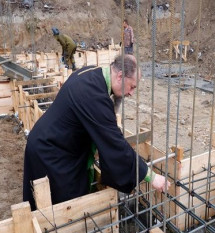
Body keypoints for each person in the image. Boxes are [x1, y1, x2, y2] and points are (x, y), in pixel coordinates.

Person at [23, 54, 170, 210]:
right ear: (120, 76)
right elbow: (115, 144)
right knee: (63, 208)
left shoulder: (93, 74)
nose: (131, 93)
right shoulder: (94, 95)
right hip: (51, 151)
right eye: (132, 87)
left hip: (52, 141)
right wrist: (151, 176)